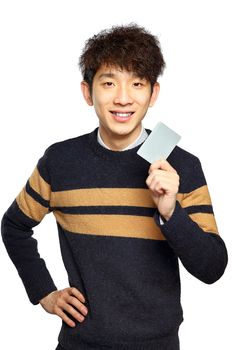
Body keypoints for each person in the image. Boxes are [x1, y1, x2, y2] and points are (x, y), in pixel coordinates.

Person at [1, 23, 228, 350]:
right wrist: (44, 293)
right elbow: (14, 226)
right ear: (87, 91)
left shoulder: (181, 165)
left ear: (153, 94)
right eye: (109, 82)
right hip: (80, 343)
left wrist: (169, 211)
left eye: (137, 83)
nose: (123, 98)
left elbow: (212, 268)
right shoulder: (59, 161)